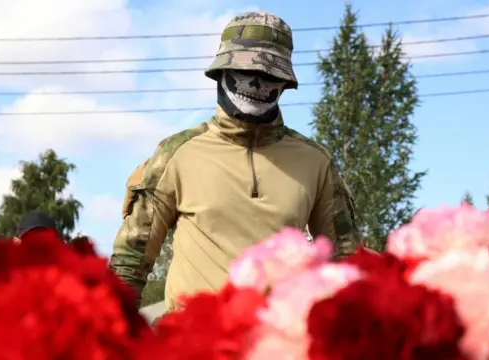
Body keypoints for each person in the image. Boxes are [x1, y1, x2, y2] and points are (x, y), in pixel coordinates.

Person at [110, 11, 360, 310]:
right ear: (221, 71)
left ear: (284, 82)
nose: (257, 82)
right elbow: (129, 263)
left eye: (270, 74)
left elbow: (346, 266)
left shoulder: (316, 162)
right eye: (246, 70)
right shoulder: (175, 154)